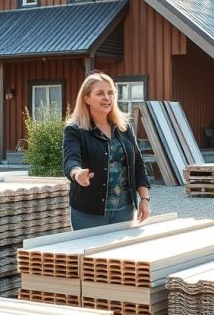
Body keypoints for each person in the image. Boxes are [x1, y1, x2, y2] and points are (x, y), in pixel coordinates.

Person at [63, 72, 151, 230]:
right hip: (89, 213)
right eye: (100, 93)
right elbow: (70, 159)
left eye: (110, 93)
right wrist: (77, 174)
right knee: (92, 255)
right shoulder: (74, 130)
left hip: (125, 210)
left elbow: (138, 164)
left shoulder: (124, 128)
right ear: (87, 98)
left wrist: (144, 199)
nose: (107, 97)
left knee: (120, 255)